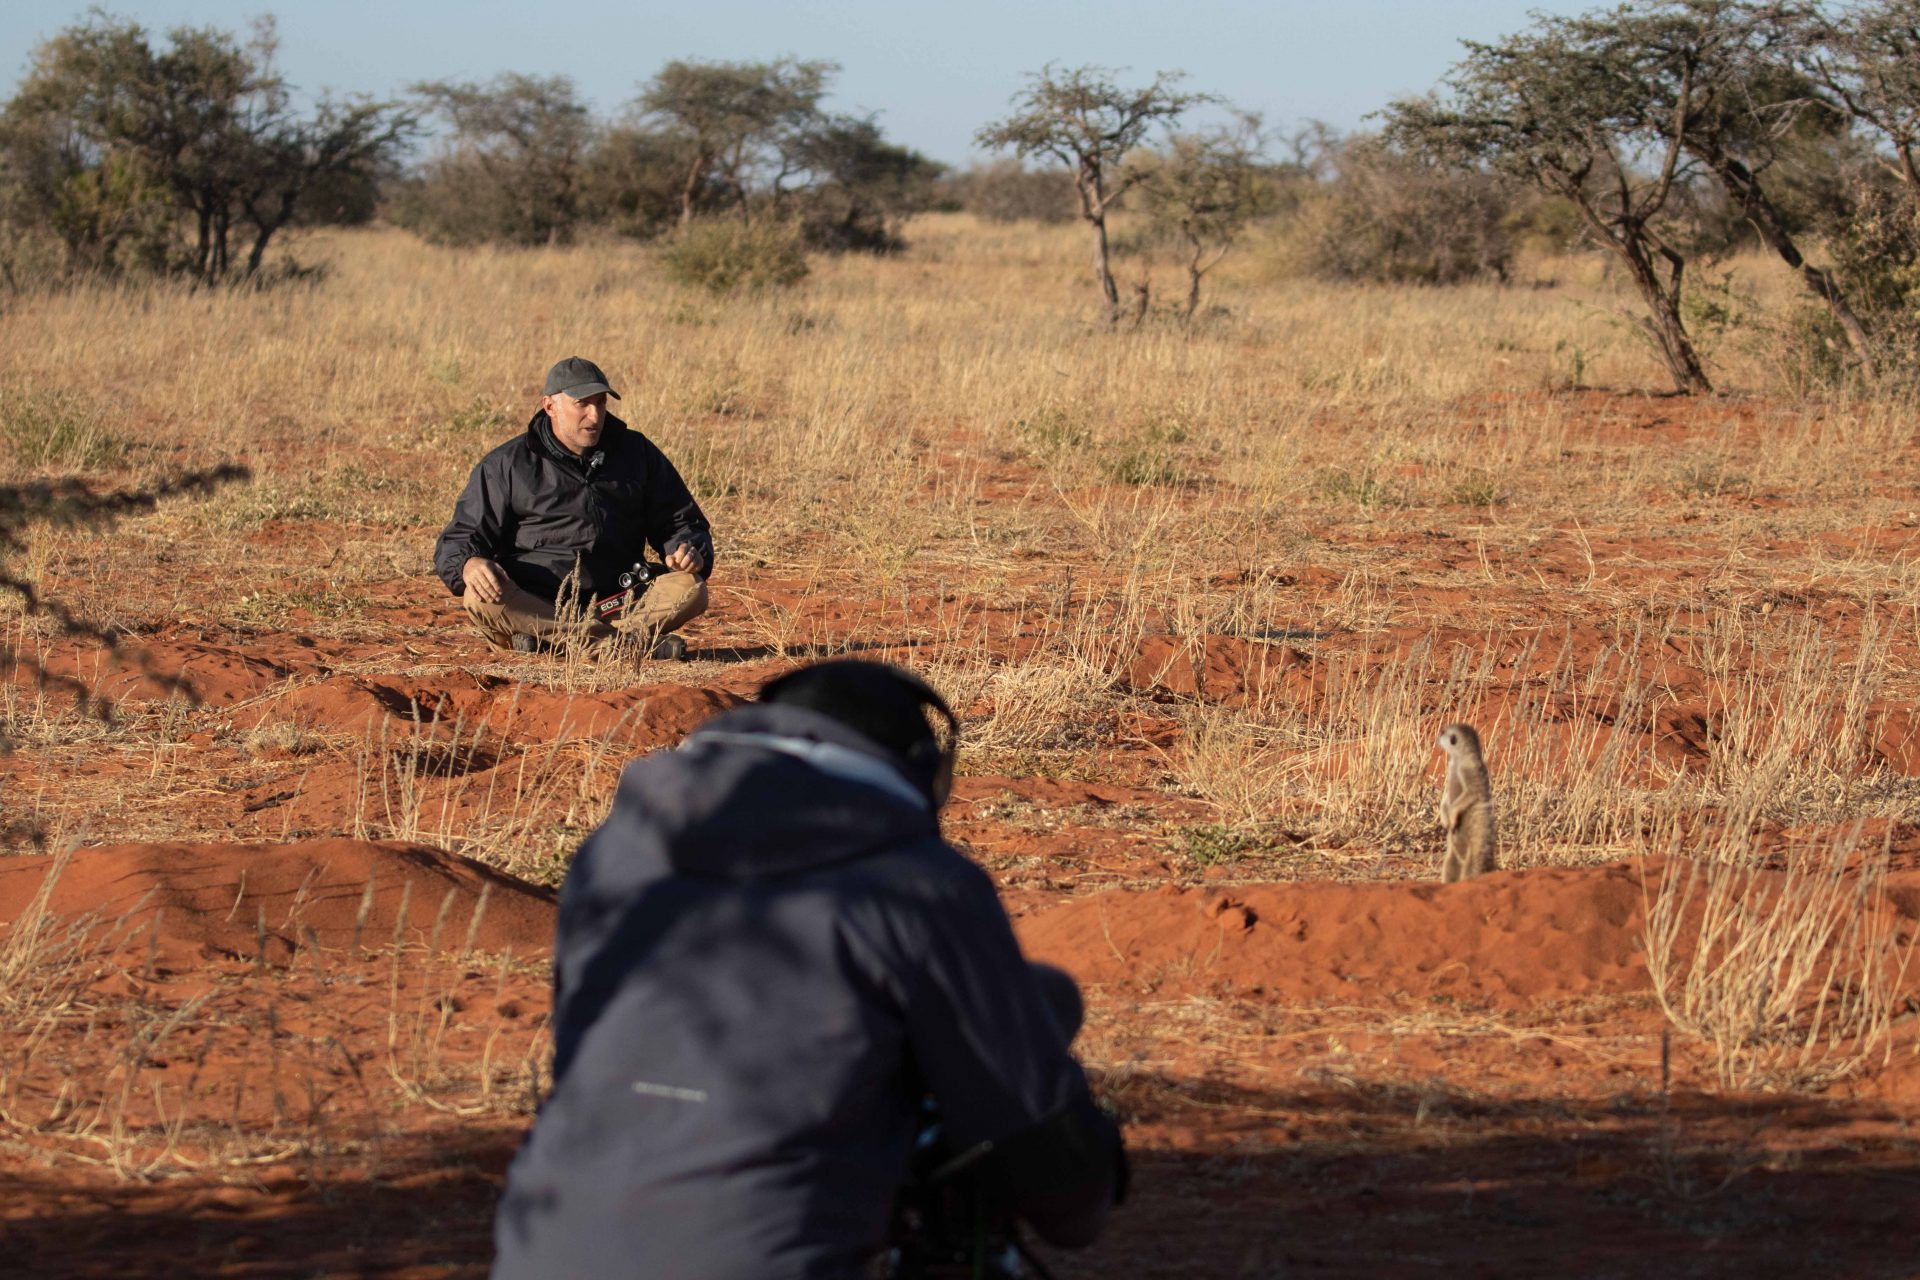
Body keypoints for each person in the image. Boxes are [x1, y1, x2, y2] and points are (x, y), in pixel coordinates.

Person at [491, 660, 1126, 1280]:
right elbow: (1047, 1168)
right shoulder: (921, 884)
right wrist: (1083, 1178)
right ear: (922, 774)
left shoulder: (613, 852)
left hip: (538, 1248)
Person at [434, 356, 714, 661]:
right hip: (538, 602)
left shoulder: (636, 452)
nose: (594, 416)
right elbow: (459, 539)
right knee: (479, 597)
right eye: (582, 403)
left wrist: (687, 549)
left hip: (618, 600)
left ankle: (552, 642)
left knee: (691, 587)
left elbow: (680, 521)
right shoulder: (506, 465)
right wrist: (469, 564)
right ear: (550, 406)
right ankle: (622, 647)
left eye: (601, 403)